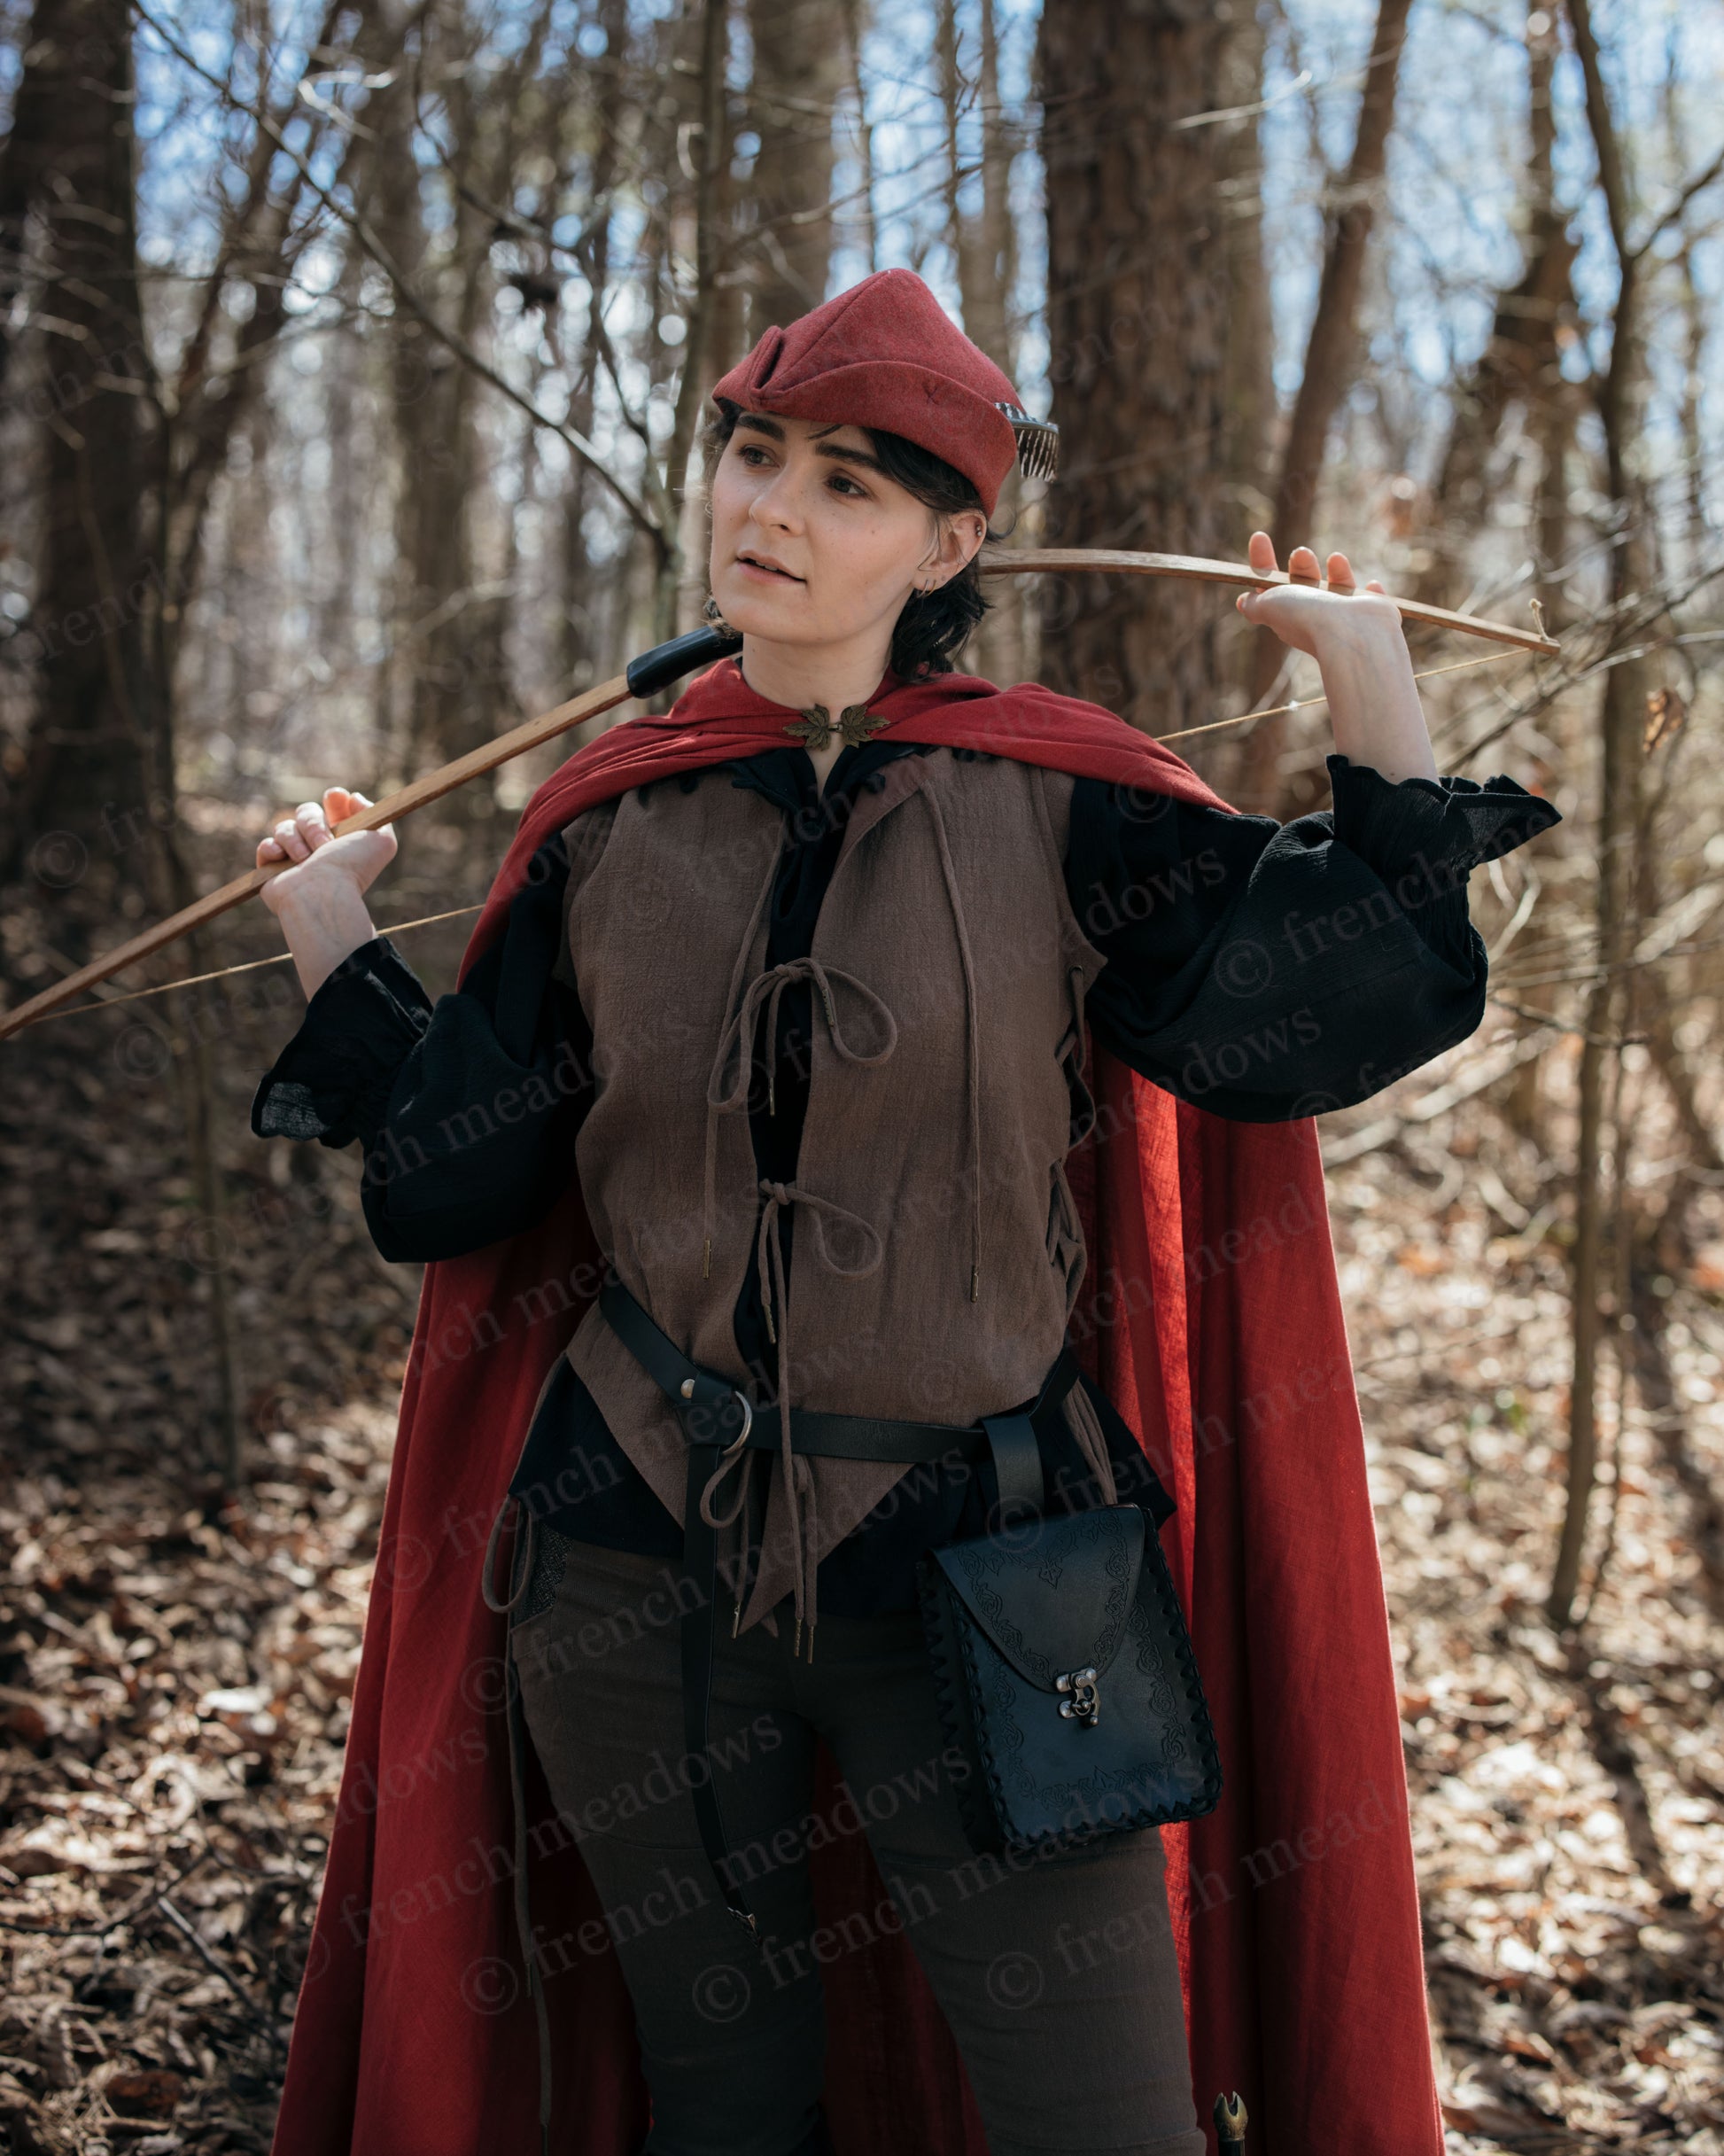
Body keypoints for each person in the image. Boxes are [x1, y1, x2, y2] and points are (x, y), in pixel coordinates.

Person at [251, 270, 1560, 2156]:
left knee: (1102, 2121)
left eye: (844, 484)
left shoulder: (1062, 800)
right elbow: (459, 1177)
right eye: (753, 454)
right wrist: (327, 931)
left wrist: (1366, 680)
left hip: (995, 1576)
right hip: (626, 1561)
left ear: (951, 538)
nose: (768, 509)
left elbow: (1313, 1022)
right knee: (725, 2111)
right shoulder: (614, 813)